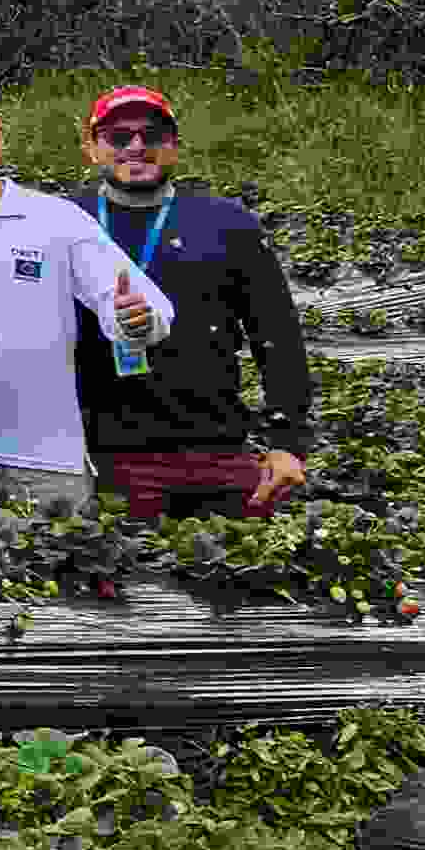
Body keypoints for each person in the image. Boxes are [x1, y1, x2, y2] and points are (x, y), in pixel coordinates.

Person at [0, 82, 171, 512]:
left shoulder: (56, 218)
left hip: (41, 458)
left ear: (0, 136)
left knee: (59, 573)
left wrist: (134, 319)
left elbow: (145, 308)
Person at [71, 83, 317, 521]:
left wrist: (286, 443)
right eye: (118, 137)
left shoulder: (225, 223)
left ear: (175, 146)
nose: (136, 146)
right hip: (105, 455)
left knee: (240, 576)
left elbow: (276, 335)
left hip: (217, 451)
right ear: (91, 148)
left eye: (152, 135)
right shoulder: (65, 222)